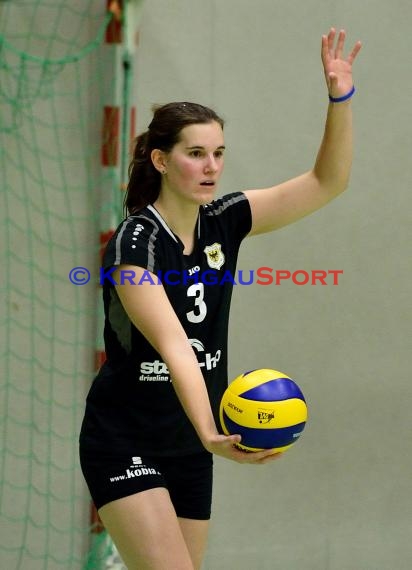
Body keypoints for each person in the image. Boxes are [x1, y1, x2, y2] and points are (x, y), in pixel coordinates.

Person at [79, 28, 361, 570]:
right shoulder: (136, 243)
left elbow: (330, 181)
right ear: (161, 161)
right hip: (126, 435)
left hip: (189, 442)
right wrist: (212, 431)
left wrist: (340, 98)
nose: (211, 166)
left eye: (218, 153)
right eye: (195, 154)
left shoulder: (225, 220)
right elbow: (175, 345)